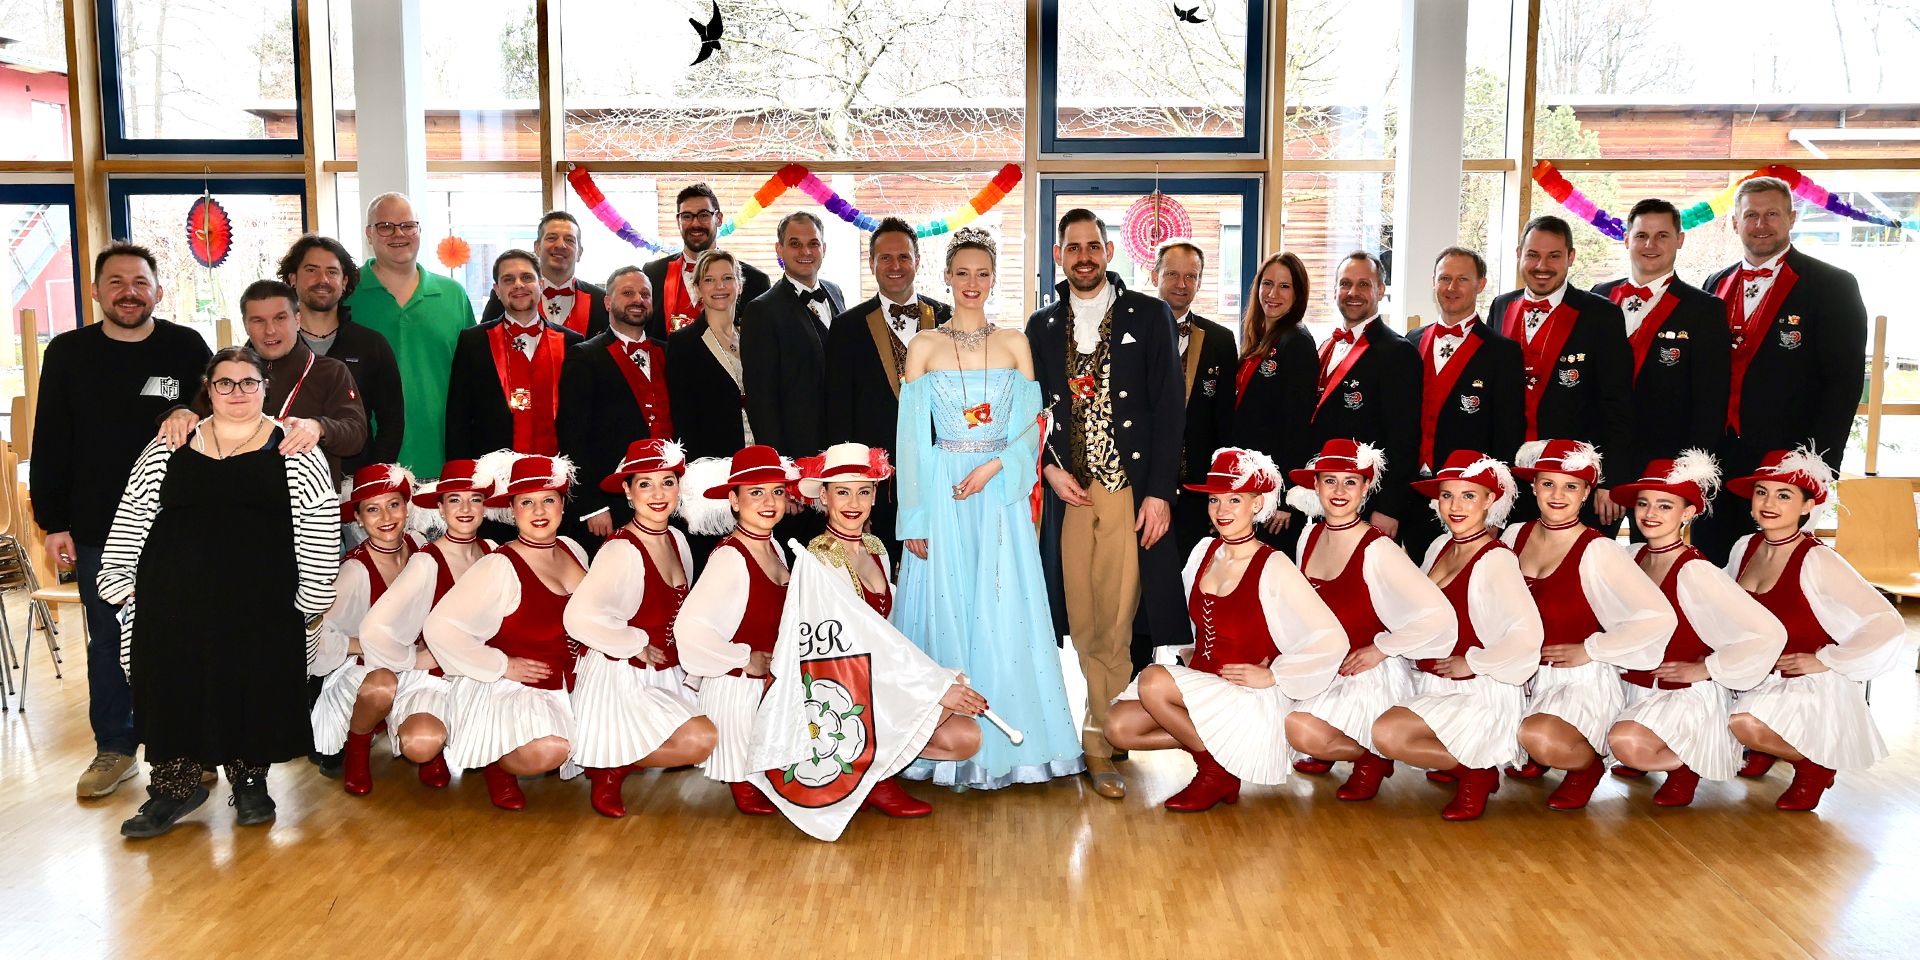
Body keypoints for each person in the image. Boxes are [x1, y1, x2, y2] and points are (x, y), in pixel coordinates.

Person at [99, 346, 341, 837]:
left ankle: (250, 782)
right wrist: (118, 580)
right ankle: (173, 788)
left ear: (264, 387)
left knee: (250, 685)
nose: (237, 392)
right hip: (173, 598)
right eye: (224, 383)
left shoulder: (294, 447)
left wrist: (311, 597)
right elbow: (134, 508)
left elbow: (321, 522)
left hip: (262, 600)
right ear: (208, 390)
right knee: (171, 688)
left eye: (248, 382)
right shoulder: (171, 443)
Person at [893, 228, 1085, 791]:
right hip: (944, 495)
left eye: (983, 274)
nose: (972, 284)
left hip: (996, 495)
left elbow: (1031, 427)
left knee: (1002, 610)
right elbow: (909, 440)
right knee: (947, 607)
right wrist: (915, 518)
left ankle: (1016, 749)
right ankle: (940, 746)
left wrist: (994, 467)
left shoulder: (1014, 343)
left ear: (993, 279)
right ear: (946, 279)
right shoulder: (924, 346)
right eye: (962, 273)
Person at [31, 241, 210, 800]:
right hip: (96, 527)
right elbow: (50, 441)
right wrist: (52, 520)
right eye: (115, 282)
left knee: (185, 635)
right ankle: (114, 746)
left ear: (157, 289)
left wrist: (194, 411)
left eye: (139, 282)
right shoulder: (67, 352)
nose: (128, 292)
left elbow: (221, 420)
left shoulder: (187, 347)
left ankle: (190, 745)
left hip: (179, 524)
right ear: (95, 291)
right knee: (107, 639)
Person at [1025, 209, 1186, 800]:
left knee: (1117, 621)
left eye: (1094, 246)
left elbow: (1171, 409)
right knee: (1079, 615)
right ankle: (1108, 726)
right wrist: (1047, 468)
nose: (1084, 256)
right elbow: (1029, 414)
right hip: (1071, 496)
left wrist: (1160, 494)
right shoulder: (1041, 326)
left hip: (1126, 494)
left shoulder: (1150, 315)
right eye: (1073, 248)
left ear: (1110, 250)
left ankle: (1100, 741)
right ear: (1058, 255)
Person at [1103, 447, 1345, 812]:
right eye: (1215, 500)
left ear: (1257, 504)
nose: (1222, 510)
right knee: (1119, 727)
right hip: (1205, 686)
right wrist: (1187, 652)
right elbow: (1183, 618)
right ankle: (1220, 760)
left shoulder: (1273, 563)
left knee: (1153, 681)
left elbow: (1331, 638)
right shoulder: (1205, 550)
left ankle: (1215, 772)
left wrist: (1274, 675)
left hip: (1244, 696)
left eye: (1235, 499)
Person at [797, 441, 991, 816]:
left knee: (965, 737)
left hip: (876, 676)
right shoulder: (820, 557)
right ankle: (865, 772)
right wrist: (933, 687)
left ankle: (874, 763)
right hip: (844, 684)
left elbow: (888, 626)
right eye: (842, 492)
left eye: (864, 491)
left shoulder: (873, 546)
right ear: (823, 496)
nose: (853, 503)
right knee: (949, 699)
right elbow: (851, 647)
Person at [1693, 177, 1869, 563]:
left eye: (1772, 214)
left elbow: (1844, 383)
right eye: (1751, 215)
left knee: (1774, 570)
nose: (1761, 224)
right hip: (1719, 459)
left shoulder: (1833, 285)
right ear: (1735, 223)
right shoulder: (1715, 283)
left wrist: (1818, 465)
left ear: (1791, 218)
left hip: (1788, 459)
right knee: (1713, 564)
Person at [1726, 447, 1905, 811]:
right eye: (1762, 492)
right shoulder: (1745, 547)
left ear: (1807, 506)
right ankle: (1766, 747)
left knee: (1741, 723)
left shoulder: (1819, 559)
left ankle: (1814, 765)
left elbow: (1886, 622)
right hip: (1756, 675)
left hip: (1805, 682)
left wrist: (1826, 659)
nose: (1768, 503)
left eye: (1784, 495)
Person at [1604, 452, 1786, 806]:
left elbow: (1768, 633)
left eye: (1665, 506)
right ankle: (1653, 746)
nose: (1651, 514)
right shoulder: (1630, 557)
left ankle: (1691, 760)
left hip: (1682, 692)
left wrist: (1706, 669)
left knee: (1625, 742)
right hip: (1635, 684)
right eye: (1643, 504)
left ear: (1688, 513)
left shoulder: (1696, 571)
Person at [1501, 439, 1674, 810]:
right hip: (1522, 673)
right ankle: (1537, 752)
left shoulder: (1600, 550)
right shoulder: (1514, 535)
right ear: (1533, 487)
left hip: (1577, 680)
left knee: (1538, 735)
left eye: (1571, 486)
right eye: (1548, 483)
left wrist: (1590, 649)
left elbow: (1658, 618)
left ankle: (1587, 765)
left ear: (1586, 492)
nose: (1558, 494)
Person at [1372, 450, 1543, 821]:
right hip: (1434, 682)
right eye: (1448, 495)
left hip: (1478, 689)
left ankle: (1476, 771)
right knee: (1378, 723)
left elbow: (1528, 634)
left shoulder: (1497, 557)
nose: (1455, 506)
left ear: (1489, 502)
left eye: (1469, 495)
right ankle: (1465, 759)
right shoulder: (1439, 546)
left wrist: (1474, 662)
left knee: (1388, 734)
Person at [1282, 439, 1455, 801]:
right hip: (1321, 665)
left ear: (1366, 488)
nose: (1339, 491)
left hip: (1365, 675)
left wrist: (1380, 649)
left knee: (1300, 729)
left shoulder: (1378, 548)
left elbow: (1438, 614)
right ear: (1315, 486)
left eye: (1350, 482)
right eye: (1330, 481)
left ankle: (1371, 756)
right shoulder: (1308, 536)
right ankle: (1339, 743)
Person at [423, 453, 591, 811]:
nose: (538, 510)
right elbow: (440, 627)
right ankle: (496, 760)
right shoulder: (498, 565)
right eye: (526, 502)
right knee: (551, 749)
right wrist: (501, 665)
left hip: (570, 680)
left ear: (562, 505)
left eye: (548, 499)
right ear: (512, 509)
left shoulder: (573, 550)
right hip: (516, 688)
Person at [563, 439, 719, 818]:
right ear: (629, 494)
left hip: (665, 672)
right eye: (645, 484)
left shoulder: (678, 539)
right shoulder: (620, 550)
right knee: (702, 739)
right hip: (620, 678)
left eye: (667, 482)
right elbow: (578, 617)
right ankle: (608, 762)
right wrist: (633, 643)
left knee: (714, 738)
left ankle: (620, 755)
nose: (658, 493)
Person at [354, 457, 502, 790]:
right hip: (436, 677)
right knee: (421, 742)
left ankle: (498, 767)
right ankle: (371, 749)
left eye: (475, 499)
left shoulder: (493, 552)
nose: (465, 508)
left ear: (485, 507)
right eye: (454, 500)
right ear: (439, 507)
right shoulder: (425, 560)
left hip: (483, 672)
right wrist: (413, 659)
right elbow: (372, 629)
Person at [1590, 199, 1731, 535]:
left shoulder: (1704, 309)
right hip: (1599, 471)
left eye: (1662, 236)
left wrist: (1687, 475)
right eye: (1641, 236)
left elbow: (1710, 400)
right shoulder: (1597, 296)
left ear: (1680, 239)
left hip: (1663, 473)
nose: (1650, 246)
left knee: (1654, 575)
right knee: (1590, 568)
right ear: (1626, 239)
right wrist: (1599, 474)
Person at [673, 445, 797, 816]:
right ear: (734, 500)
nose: (769, 502)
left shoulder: (773, 546)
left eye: (776, 491)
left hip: (771, 685)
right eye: (755, 493)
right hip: (739, 690)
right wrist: (744, 659)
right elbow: (688, 630)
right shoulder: (729, 556)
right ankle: (741, 771)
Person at [1489, 216, 1633, 527]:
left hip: (1574, 479)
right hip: (1510, 476)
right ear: (1518, 254)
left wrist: (1610, 480)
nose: (1542, 265)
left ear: (1570, 257)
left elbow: (1617, 403)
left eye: (1554, 256)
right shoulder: (1500, 306)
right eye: (1533, 255)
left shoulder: (1601, 314)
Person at [822, 216, 954, 558]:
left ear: (918, 261)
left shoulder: (947, 318)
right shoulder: (846, 326)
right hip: (876, 479)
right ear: (872, 263)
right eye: (886, 258)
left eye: (904, 257)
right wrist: (849, 483)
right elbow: (838, 411)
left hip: (940, 471)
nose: (895, 266)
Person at [157, 279, 367, 485]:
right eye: (258, 320)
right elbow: (197, 418)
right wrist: (180, 413)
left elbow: (356, 435)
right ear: (246, 325)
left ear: (298, 320)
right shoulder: (228, 371)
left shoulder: (331, 371)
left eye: (280, 318)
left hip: (306, 504)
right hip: (234, 496)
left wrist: (319, 427)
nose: (270, 330)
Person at [308, 464, 426, 796]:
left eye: (393, 504)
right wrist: (371, 645)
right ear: (358, 518)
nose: (386, 516)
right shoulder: (355, 570)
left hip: (414, 664)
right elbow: (316, 641)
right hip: (364, 672)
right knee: (383, 682)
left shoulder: (419, 547)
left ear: (407, 507)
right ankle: (357, 749)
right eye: (372, 509)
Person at [341, 192, 476, 473]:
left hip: (442, 454)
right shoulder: (346, 296)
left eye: (407, 225)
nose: (397, 234)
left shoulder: (453, 295)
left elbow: (473, 379)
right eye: (385, 226)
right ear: (369, 233)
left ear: (419, 230)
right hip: (366, 454)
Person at [1403, 247, 1526, 553]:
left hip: (1469, 498)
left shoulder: (1503, 352)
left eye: (1462, 279)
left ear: (1481, 284)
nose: (1451, 288)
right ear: (1433, 282)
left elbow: (1508, 434)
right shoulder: (1411, 342)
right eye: (1444, 278)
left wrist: (1496, 506)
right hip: (1413, 494)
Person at [1305, 252, 1421, 541]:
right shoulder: (1327, 345)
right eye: (1345, 284)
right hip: (1327, 495)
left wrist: (1389, 506)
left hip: (1369, 503)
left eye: (1363, 284)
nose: (1352, 293)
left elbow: (1404, 437)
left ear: (1380, 290)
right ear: (1334, 290)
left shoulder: (1397, 352)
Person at [557, 265, 673, 548]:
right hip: (611, 503)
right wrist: (592, 504)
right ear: (607, 302)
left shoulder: (668, 353)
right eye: (628, 293)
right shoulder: (584, 356)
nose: (638, 299)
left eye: (645, 294)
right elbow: (572, 437)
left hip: (668, 499)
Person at [279, 233, 406, 476]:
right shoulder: (270, 346)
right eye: (312, 270)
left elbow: (392, 423)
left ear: (345, 281)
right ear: (293, 278)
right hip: (287, 484)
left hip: (353, 487)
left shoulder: (371, 345)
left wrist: (371, 480)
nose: (322, 279)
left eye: (332, 272)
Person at [444, 249, 585, 462]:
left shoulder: (573, 342)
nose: (518, 284)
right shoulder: (473, 341)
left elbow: (581, 416)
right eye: (508, 279)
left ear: (542, 284)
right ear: (497, 290)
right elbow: (458, 416)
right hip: (491, 471)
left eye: (527, 277)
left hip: (559, 469)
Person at [1229, 251, 1318, 552]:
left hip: (1274, 498)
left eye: (1284, 286)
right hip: (1252, 484)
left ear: (1299, 294)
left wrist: (1286, 500)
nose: (1272, 294)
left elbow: (1298, 426)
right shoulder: (1262, 338)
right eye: (1267, 284)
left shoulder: (1297, 342)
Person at [1156, 240, 1237, 559]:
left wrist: (1221, 486)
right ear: (1155, 276)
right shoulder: (1129, 334)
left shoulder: (1220, 339)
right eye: (1172, 274)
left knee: (1193, 568)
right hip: (1142, 483)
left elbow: (1225, 419)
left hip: (1197, 485)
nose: (1181, 283)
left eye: (1191, 276)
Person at [743, 211, 847, 459]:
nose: (805, 252)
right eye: (795, 244)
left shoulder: (835, 291)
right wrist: (781, 464)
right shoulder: (761, 310)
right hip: (797, 449)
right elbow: (761, 400)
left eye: (813, 243)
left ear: (823, 247)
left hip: (841, 443)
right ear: (779, 249)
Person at [641, 183, 771, 340]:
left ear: (719, 219)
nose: (695, 224)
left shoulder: (755, 280)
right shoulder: (653, 274)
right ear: (678, 221)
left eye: (703, 215)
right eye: (687, 216)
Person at [482, 211, 608, 337]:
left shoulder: (601, 300)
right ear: (537, 247)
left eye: (569, 240)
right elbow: (486, 341)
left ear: (579, 252)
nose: (560, 245)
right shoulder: (508, 295)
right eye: (552, 238)